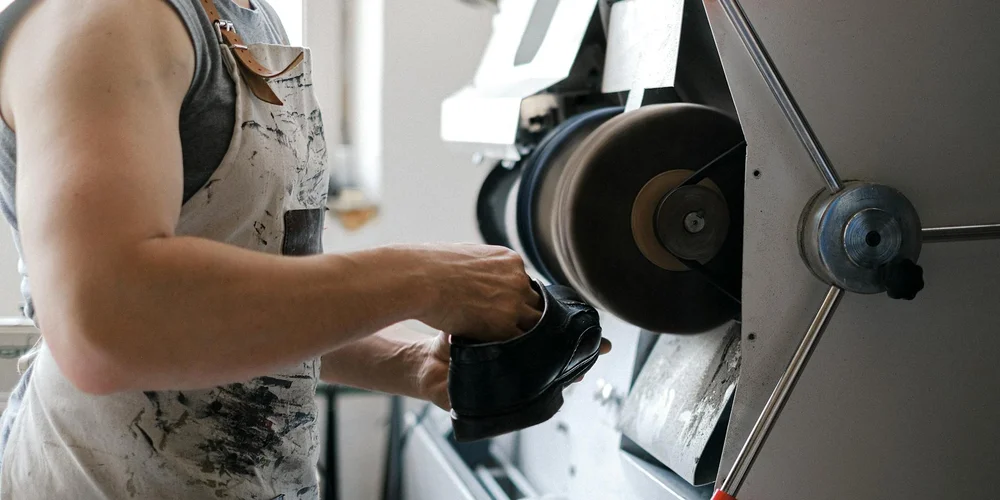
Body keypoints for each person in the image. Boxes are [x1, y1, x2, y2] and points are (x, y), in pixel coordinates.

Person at [0, 0, 609, 497]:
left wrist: (410, 366)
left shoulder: (244, 17)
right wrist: (428, 278)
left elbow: (244, 301)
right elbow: (106, 319)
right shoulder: (99, 17)